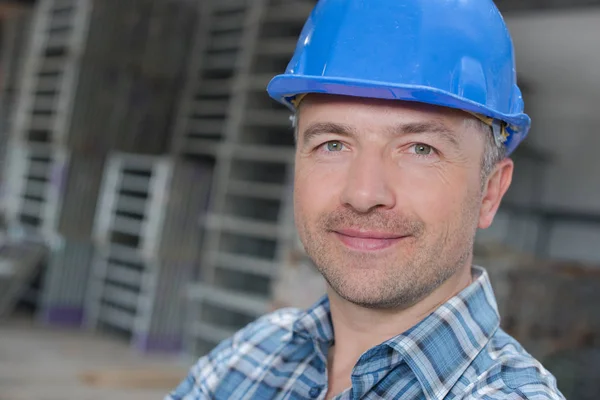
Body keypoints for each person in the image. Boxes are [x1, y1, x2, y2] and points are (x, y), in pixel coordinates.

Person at [167, 1, 565, 399]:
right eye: (333, 144)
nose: (363, 195)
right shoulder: (247, 358)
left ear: (490, 192)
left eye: (420, 149)